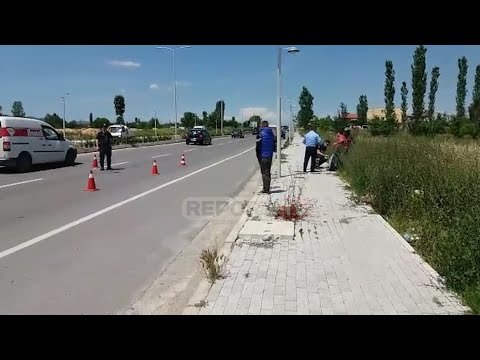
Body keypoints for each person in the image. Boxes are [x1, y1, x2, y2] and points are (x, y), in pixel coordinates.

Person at [256, 120, 276, 193]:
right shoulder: (271, 134)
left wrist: (258, 156)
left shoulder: (260, 134)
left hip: (262, 155)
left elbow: (258, 147)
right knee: (268, 171)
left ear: (262, 125)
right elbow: (274, 146)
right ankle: (267, 187)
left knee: (264, 172)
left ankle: (266, 189)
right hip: (270, 155)